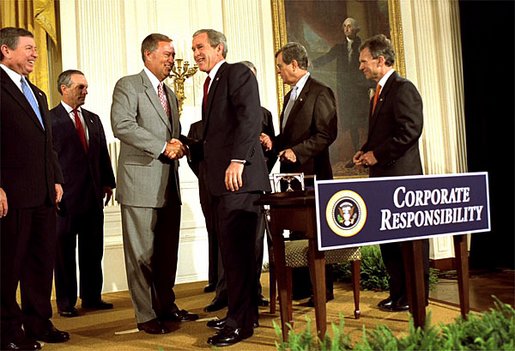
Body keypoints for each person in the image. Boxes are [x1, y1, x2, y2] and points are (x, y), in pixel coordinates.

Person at [110, 33, 198, 335]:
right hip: (139, 185)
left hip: (168, 186)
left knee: (165, 254)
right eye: (167, 54)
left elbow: (172, 135)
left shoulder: (171, 94)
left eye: (173, 55)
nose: (172, 60)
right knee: (141, 254)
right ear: (148, 54)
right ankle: (145, 315)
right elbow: (122, 125)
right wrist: (163, 146)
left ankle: (165, 305)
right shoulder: (128, 85)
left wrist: (179, 144)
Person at [191, 29, 271, 347]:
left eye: (200, 47)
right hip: (222, 184)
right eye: (193, 48)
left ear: (219, 48)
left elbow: (250, 119)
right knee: (233, 257)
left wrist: (238, 160)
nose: (195, 53)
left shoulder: (236, 72)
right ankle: (240, 314)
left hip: (241, 179)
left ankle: (241, 324)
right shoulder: (210, 83)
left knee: (240, 257)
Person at [0, 27, 70, 349]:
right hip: (11, 196)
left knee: (41, 265)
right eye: (28, 48)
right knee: (7, 268)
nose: (35, 54)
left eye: (35, 49)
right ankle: (7, 334)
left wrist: (55, 178)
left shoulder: (38, 93)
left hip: (43, 195)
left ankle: (39, 324)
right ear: (6, 50)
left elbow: (48, 144)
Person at [353, 34, 429, 312]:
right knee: (390, 241)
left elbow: (410, 130)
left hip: (403, 181)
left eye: (363, 61)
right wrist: (365, 151)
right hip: (384, 181)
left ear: (381, 60)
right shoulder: (379, 91)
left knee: (408, 243)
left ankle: (414, 295)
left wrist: (378, 154)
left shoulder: (403, 88)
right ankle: (398, 294)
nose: (360, 66)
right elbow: (383, 134)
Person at [263, 41, 338, 306]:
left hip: (312, 175)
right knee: (297, 232)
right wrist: (275, 142)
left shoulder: (320, 92)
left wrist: (298, 151)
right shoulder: (290, 95)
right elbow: (292, 134)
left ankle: (322, 290)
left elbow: (327, 133)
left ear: (294, 64)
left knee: (315, 235)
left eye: (280, 67)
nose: (279, 72)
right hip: (292, 178)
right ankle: (303, 289)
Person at [50, 69, 116, 318]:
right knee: (64, 252)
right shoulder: (50, 120)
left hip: (92, 198)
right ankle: (66, 302)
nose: (85, 91)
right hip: (64, 199)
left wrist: (108, 183)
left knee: (92, 250)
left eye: (86, 87)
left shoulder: (93, 119)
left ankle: (92, 297)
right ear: (64, 89)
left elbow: (102, 154)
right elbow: (48, 158)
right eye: (80, 87)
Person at [313, 17, 373, 167]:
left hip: (360, 90)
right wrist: (311, 64)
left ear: (356, 29)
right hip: (346, 92)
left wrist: (370, 86)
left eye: (350, 26)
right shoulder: (339, 48)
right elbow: (327, 58)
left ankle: (367, 152)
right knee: (350, 122)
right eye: (345, 26)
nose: (347, 29)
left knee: (364, 121)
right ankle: (355, 154)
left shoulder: (364, 46)